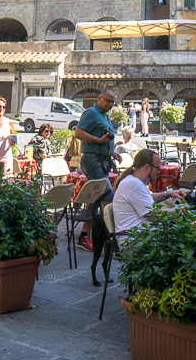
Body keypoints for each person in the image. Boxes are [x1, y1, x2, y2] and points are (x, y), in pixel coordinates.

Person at [73, 88, 117, 253]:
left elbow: (104, 139)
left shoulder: (104, 116)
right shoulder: (91, 113)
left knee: (93, 196)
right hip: (92, 160)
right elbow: (78, 132)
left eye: (112, 102)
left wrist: (113, 152)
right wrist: (98, 141)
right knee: (107, 196)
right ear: (99, 99)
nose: (110, 104)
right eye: (107, 100)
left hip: (102, 160)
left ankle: (83, 236)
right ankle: (110, 238)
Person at [113, 149, 185, 236]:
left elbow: (146, 199)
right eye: (157, 168)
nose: (158, 172)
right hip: (135, 240)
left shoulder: (132, 181)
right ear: (147, 167)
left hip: (141, 236)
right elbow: (155, 214)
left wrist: (168, 194)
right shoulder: (134, 184)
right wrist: (178, 211)